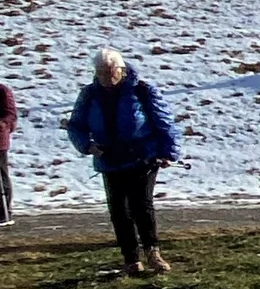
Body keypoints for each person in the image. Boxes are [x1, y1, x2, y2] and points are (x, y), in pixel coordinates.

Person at [65, 45, 179, 275]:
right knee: (118, 210)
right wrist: (87, 146)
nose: (106, 78)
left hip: (142, 157)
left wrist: (169, 152)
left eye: (110, 72)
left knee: (141, 205)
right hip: (109, 159)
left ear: (121, 70)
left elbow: (164, 121)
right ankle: (131, 258)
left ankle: (152, 251)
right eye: (101, 73)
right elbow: (76, 125)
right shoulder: (89, 95)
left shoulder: (142, 90)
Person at [0, 76, 15, 225]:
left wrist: (2, 124)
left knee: (1, 177)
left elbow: (11, 115)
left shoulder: (3, 91)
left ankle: (4, 212)